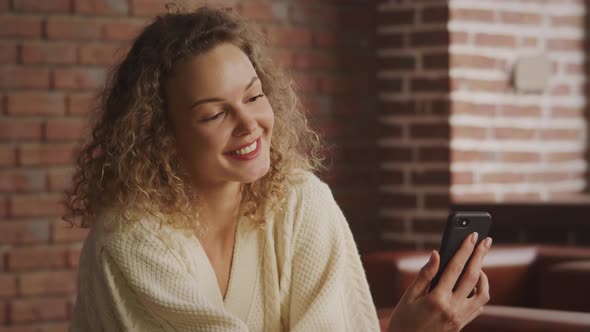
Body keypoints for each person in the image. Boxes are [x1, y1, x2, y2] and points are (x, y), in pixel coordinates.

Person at [65, 5, 491, 332]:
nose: (249, 125)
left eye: (253, 97)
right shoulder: (128, 236)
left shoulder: (300, 200)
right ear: (163, 136)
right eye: (214, 114)